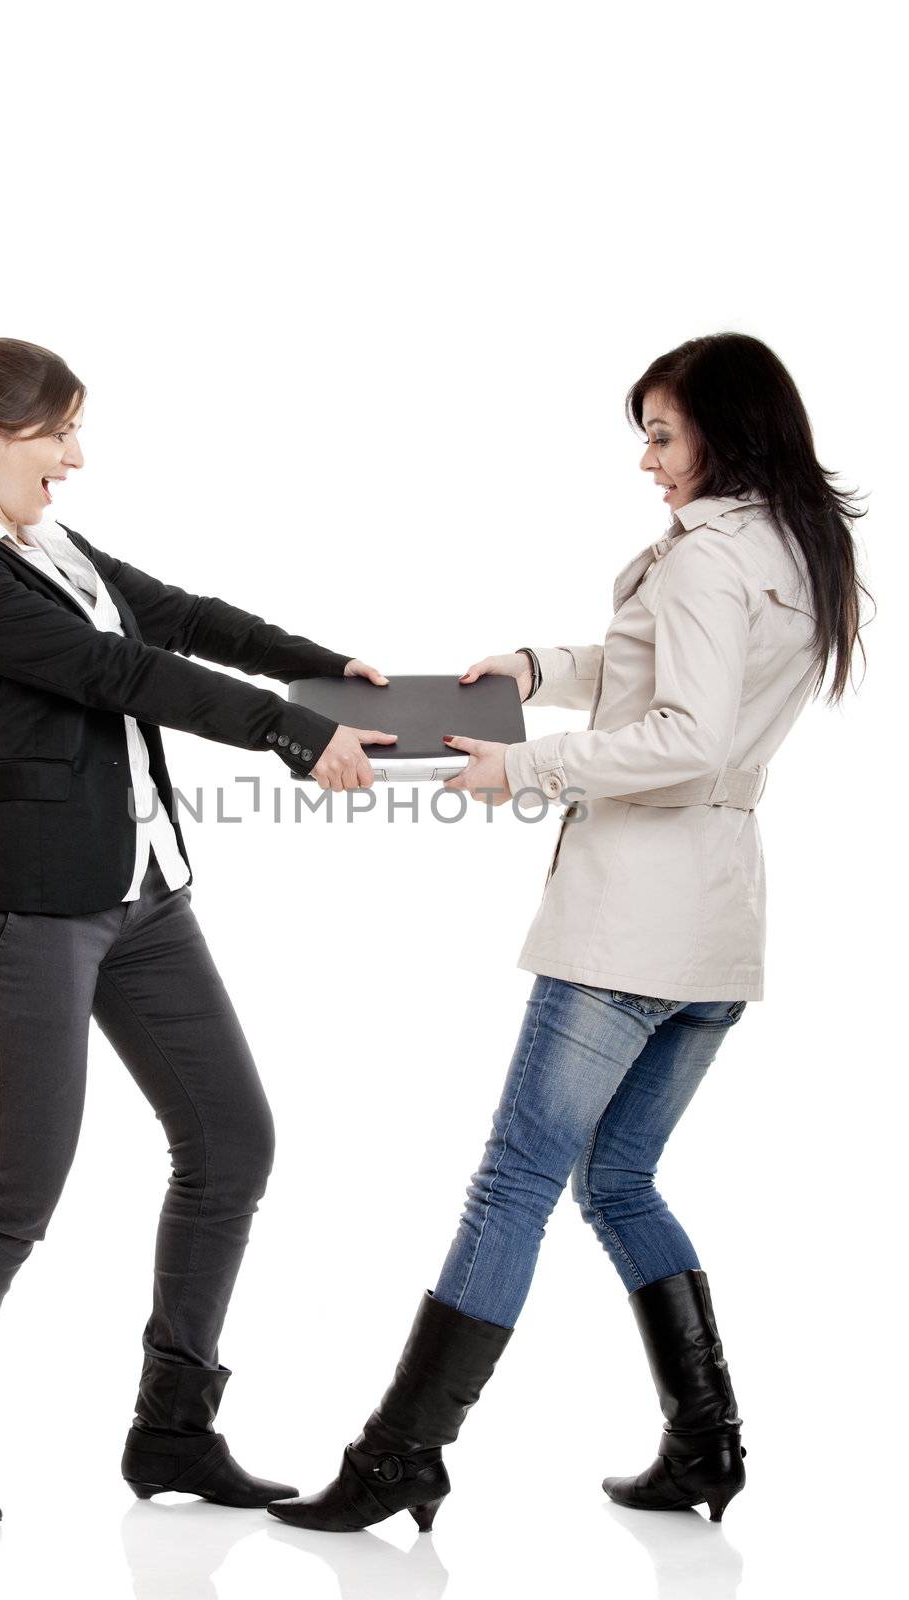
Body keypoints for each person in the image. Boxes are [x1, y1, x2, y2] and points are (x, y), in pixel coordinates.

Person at [268, 331, 872, 1533]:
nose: (648, 461)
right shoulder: (795, 549)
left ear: (725, 427)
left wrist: (522, 766)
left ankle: (399, 1456)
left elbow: (683, 733)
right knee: (622, 1179)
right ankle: (706, 1441)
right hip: (714, 921)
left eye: (661, 433)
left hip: (629, 925)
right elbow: (665, 679)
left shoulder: (705, 558)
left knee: (512, 1184)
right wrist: (541, 666)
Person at [0, 336, 397, 1527]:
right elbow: (121, 670)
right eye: (57, 431)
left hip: (145, 894)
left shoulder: (45, 541)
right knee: (20, 1183)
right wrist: (288, 733)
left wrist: (327, 676)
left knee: (231, 1143)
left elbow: (173, 614)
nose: (75, 455)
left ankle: (171, 1430)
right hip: (28, 908)